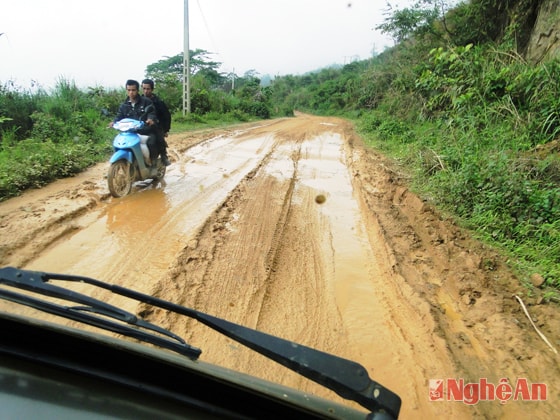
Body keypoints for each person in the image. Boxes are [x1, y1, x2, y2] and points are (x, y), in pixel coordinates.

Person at [110, 79, 159, 165]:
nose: (131, 92)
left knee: (151, 143)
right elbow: (119, 116)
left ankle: (152, 163)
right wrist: (114, 122)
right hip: (129, 133)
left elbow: (151, 112)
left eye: (133, 90)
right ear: (126, 90)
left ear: (137, 90)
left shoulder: (146, 102)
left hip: (145, 131)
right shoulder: (124, 105)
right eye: (129, 90)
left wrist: (150, 119)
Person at [142, 79, 171, 166]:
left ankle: (163, 156)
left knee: (156, 139)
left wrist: (165, 130)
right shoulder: (139, 101)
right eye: (144, 88)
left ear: (152, 89)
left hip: (155, 126)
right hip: (140, 126)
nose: (146, 91)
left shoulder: (158, 102)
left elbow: (166, 116)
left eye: (148, 89)